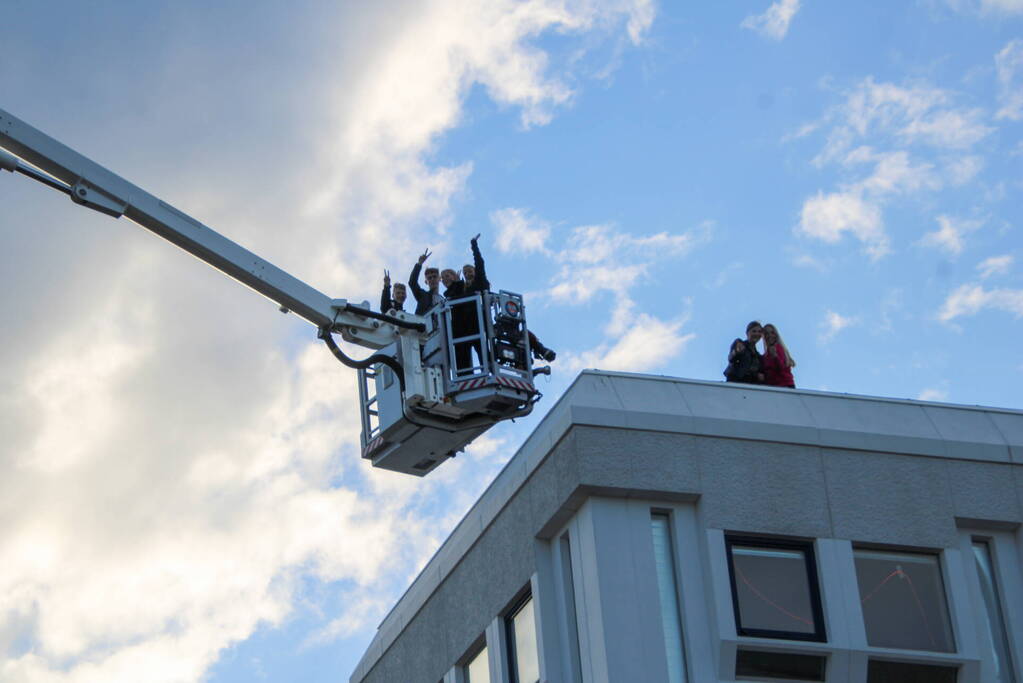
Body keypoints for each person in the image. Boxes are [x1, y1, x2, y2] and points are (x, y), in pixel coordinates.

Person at [408, 249, 444, 316]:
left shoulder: (444, 300)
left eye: (434, 276)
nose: (432, 279)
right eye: (429, 278)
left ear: (439, 279)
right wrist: (419, 264)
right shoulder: (422, 295)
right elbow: (412, 282)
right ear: (426, 282)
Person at [761, 323, 796, 388]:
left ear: (776, 334)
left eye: (772, 333)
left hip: (785, 386)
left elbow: (780, 368)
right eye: (766, 333)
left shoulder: (778, 348)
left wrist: (775, 356)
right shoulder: (765, 356)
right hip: (773, 388)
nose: (769, 335)